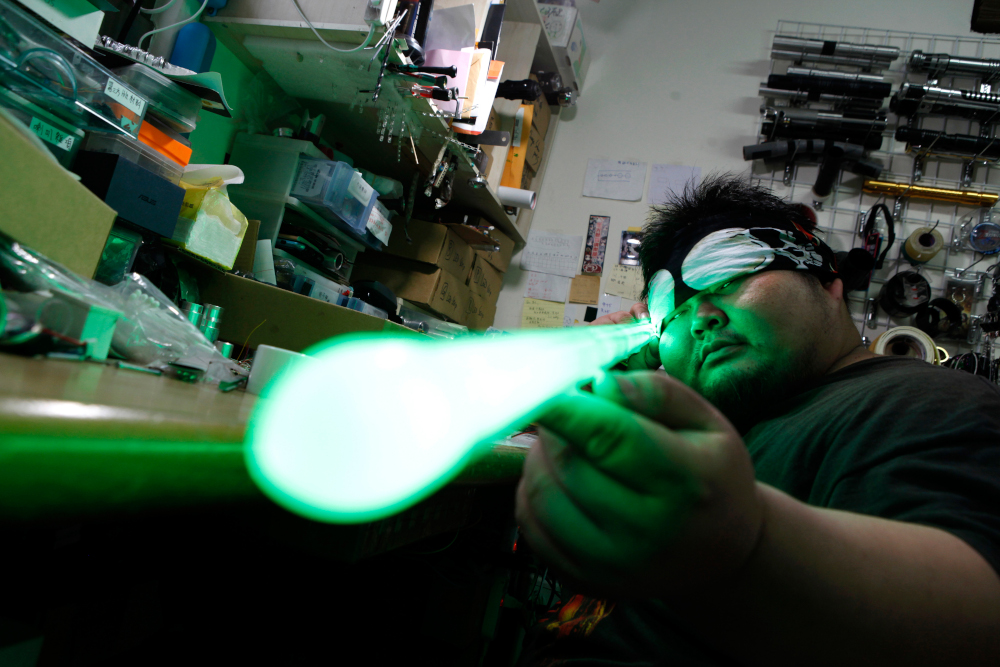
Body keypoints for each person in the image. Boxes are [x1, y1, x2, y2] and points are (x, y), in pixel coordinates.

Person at [514, 174, 1000, 666]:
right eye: (671, 312)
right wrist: (602, 398)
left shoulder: (917, 404)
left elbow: (979, 620)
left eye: (728, 276)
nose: (700, 317)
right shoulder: (731, 424)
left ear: (827, 279)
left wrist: (747, 544)